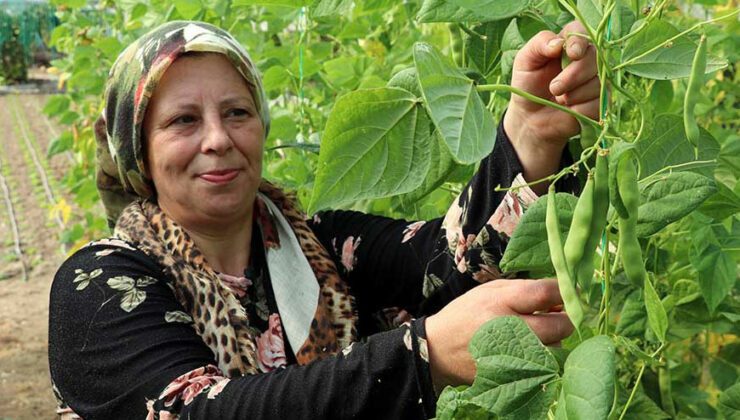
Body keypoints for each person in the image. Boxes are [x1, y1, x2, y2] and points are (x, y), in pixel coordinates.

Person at [48, 19, 599, 419]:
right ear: (138, 152)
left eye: (237, 112)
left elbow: (453, 263)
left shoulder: (330, 244)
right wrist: (420, 358)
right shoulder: (99, 287)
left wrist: (531, 131)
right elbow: (196, 411)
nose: (217, 140)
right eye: (182, 121)